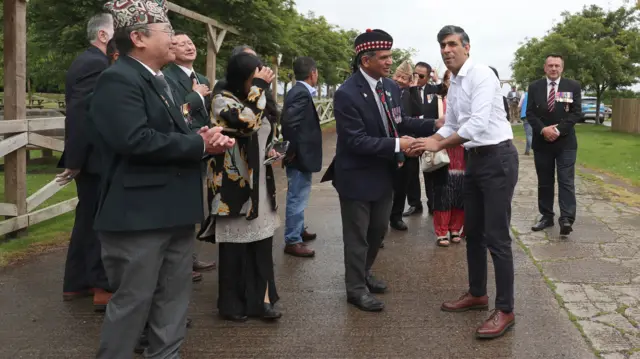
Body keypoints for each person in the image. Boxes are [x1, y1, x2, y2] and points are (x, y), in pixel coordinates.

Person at [90, 1, 235, 357]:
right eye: (167, 32)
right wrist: (195, 142)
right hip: (139, 215)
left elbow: (174, 132)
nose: (173, 40)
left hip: (172, 210)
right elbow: (133, 140)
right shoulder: (117, 78)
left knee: (173, 300)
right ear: (137, 37)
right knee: (133, 304)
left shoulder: (158, 79)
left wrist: (203, 138)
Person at [409, 25, 518, 339]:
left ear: (467, 47)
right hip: (474, 160)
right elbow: (453, 124)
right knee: (474, 233)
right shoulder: (454, 82)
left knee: (497, 238)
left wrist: (439, 145)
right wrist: (426, 140)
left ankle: (506, 309)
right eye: (443, 45)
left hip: (497, 159)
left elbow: (478, 124)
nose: (447, 50)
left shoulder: (482, 75)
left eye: (453, 44)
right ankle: (477, 293)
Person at [321, 28, 437, 312]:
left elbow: (401, 120)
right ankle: (355, 289)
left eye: (390, 56)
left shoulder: (390, 88)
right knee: (357, 237)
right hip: (357, 176)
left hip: (384, 174)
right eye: (384, 57)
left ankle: (364, 272)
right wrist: (399, 144)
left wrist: (435, 124)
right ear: (365, 60)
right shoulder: (347, 94)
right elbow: (356, 140)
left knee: (377, 232)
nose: (389, 62)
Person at [198, 52, 282, 322]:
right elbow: (247, 122)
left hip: (260, 183)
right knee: (235, 247)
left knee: (262, 246)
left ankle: (262, 301)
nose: (258, 83)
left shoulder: (257, 98)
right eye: (253, 78)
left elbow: (264, 130)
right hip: (233, 186)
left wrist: (275, 150)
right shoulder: (221, 100)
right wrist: (260, 87)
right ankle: (232, 304)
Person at [56, 12, 114, 311]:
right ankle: (99, 285)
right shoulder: (95, 63)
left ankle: (76, 282)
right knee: (97, 222)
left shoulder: (92, 62)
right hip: (94, 159)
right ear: (103, 36)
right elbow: (81, 114)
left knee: (86, 220)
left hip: (91, 158)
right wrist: (76, 160)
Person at [163, 30, 218, 277]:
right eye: (180, 44)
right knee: (182, 203)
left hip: (203, 148)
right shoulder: (167, 77)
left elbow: (204, 115)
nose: (188, 47)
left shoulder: (203, 78)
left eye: (190, 42)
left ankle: (189, 256)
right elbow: (178, 113)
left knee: (197, 201)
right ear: (170, 50)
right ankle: (179, 262)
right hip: (184, 145)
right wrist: (196, 96)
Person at [526, 54, 582, 235]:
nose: (553, 68)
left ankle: (566, 219)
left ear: (562, 68)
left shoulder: (572, 86)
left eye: (557, 65)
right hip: (542, 143)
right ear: (545, 68)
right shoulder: (535, 87)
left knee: (566, 181)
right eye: (550, 65)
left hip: (565, 143)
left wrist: (557, 130)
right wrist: (544, 130)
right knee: (545, 182)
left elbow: (576, 113)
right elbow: (530, 114)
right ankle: (546, 216)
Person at [281, 56, 322, 257]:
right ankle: (292, 240)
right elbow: (289, 123)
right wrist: (293, 150)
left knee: (301, 194)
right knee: (297, 196)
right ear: (312, 73)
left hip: (301, 153)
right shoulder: (301, 93)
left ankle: (298, 229)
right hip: (299, 155)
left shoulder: (298, 90)